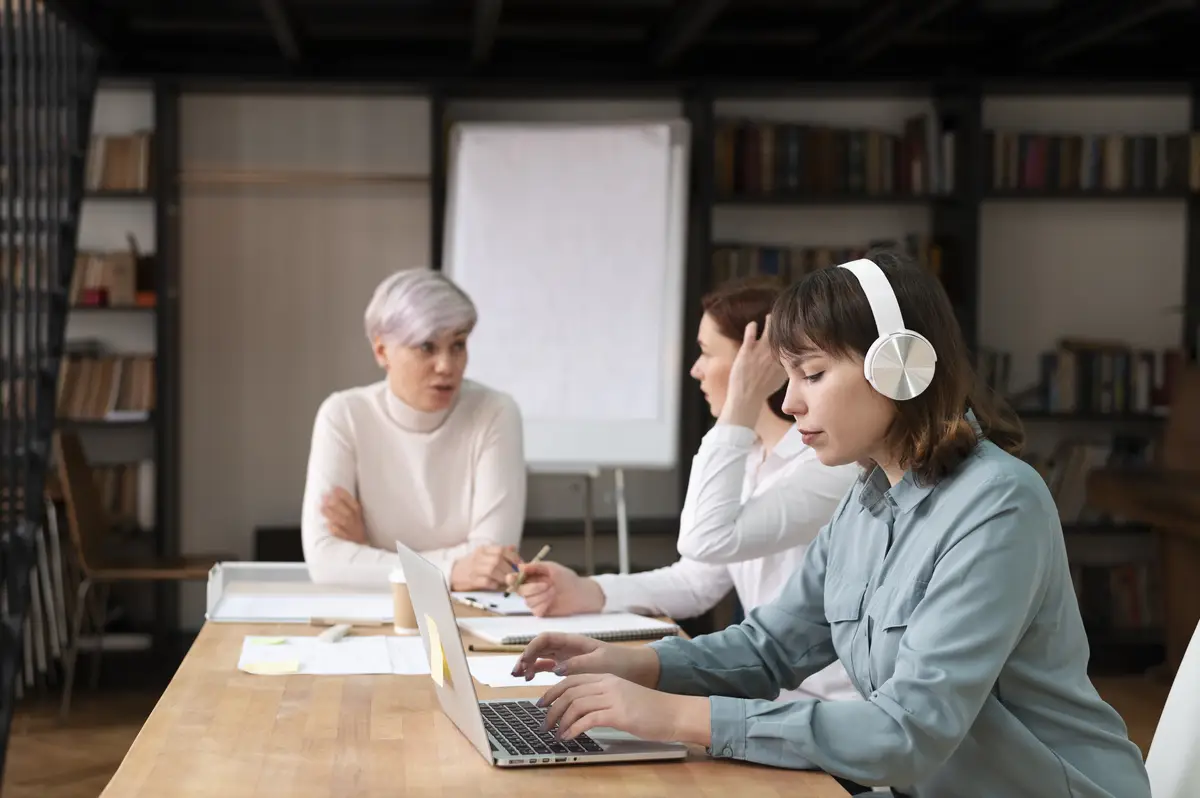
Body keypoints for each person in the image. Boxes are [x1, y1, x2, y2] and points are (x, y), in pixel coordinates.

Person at [511, 251, 1152, 798]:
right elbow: (770, 648)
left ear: (900, 366)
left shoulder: (998, 506)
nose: (790, 403)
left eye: (812, 375)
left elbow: (909, 734)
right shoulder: (867, 496)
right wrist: (636, 665)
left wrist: (678, 716)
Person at [508, 278, 861, 704]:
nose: (695, 369)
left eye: (707, 353)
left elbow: (706, 537)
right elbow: (699, 579)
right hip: (775, 691)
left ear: (759, 362)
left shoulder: (828, 466)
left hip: (824, 703)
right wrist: (590, 591)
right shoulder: (748, 455)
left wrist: (739, 407)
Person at [300, 268, 527, 590]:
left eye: (458, 345)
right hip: (370, 613)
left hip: (470, 615)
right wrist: (452, 570)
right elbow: (325, 563)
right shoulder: (344, 415)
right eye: (426, 347)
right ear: (382, 351)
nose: (447, 366)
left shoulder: (494, 413)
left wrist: (369, 556)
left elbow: (490, 563)